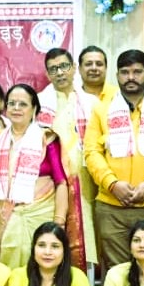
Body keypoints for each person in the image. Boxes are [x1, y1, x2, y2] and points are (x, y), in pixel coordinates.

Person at [83, 49, 144, 270]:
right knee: (117, 270)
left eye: (137, 72)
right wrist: (112, 184)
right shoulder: (101, 109)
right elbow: (91, 152)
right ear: (117, 75)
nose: (131, 77)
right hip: (111, 206)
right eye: (125, 72)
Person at [0, 84, 67, 269]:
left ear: (34, 109)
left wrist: (59, 224)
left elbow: (61, 183)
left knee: (39, 271)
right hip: (1, 219)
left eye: (23, 104)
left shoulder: (47, 140)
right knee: (4, 273)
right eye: (12, 103)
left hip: (39, 218)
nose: (16, 108)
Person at [38, 49, 100, 272]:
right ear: (47, 74)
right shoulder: (39, 103)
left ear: (74, 68)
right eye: (53, 69)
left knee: (87, 235)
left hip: (86, 181)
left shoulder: (91, 103)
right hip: (52, 185)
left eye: (64, 66)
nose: (60, 72)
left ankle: (87, 285)